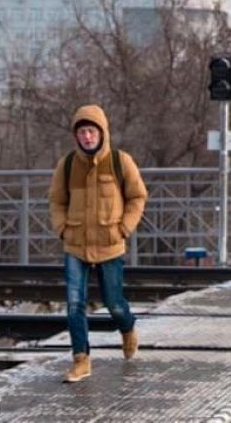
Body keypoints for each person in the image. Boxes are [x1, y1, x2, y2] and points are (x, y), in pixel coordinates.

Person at [48, 104, 148, 383]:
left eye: (92, 131)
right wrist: (62, 228)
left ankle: (127, 329)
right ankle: (81, 359)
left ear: (102, 133)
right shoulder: (67, 165)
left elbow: (138, 197)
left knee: (114, 303)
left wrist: (124, 228)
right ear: (76, 136)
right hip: (75, 244)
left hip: (109, 243)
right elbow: (56, 200)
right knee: (74, 303)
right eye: (82, 132)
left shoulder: (120, 161)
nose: (87, 137)